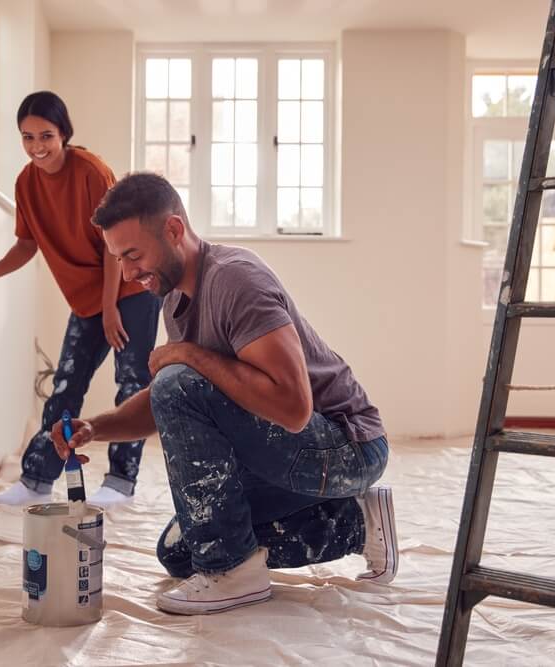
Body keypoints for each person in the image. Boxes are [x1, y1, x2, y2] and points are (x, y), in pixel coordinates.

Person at [52, 172, 398, 615]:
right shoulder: (175, 299)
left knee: (216, 543)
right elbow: (168, 401)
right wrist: (94, 428)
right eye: (119, 259)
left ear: (173, 230)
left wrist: (188, 355)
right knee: (182, 552)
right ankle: (359, 523)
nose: (128, 273)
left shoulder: (236, 280)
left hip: (347, 448)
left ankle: (234, 573)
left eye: (133, 255)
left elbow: (294, 408)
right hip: (295, 451)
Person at [0, 92, 160, 508]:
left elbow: (113, 246)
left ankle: (120, 482)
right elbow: (27, 243)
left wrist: (111, 308)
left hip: (131, 288)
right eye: (27, 137)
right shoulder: (25, 183)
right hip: (88, 298)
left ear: (64, 133)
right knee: (66, 387)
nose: (37, 146)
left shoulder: (91, 171)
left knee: (131, 384)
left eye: (46, 136)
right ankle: (36, 479)